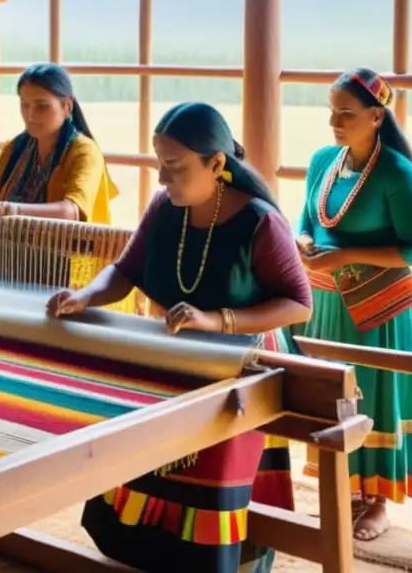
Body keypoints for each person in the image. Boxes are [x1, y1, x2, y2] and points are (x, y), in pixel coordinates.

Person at [46, 102, 312, 573]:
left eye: (175, 167)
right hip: (174, 358)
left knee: (205, 493)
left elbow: (298, 303)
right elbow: (125, 270)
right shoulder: (164, 209)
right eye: (159, 164)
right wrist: (86, 295)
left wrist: (216, 321)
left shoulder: (260, 222)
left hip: (240, 372)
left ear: (216, 164)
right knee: (138, 455)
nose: (164, 179)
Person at [288, 67, 412, 542]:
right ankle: (345, 493)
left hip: (380, 310)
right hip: (329, 305)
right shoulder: (323, 161)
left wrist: (347, 254)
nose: (335, 123)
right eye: (332, 113)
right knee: (335, 398)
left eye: (346, 114)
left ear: (376, 117)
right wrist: (303, 238)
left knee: (374, 398)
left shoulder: (398, 173)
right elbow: (307, 217)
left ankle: (378, 501)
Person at [0, 63, 118, 224]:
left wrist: (14, 209)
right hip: (9, 252)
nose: (30, 115)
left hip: (63, 255)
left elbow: (71, 211)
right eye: (24, 105)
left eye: (41, 106)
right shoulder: (16, 147)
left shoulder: (85, 152)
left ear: (67, 107)